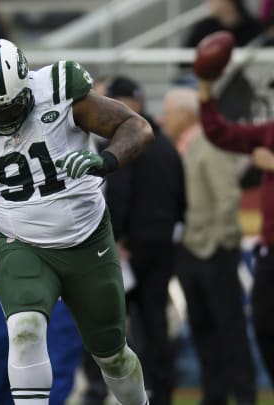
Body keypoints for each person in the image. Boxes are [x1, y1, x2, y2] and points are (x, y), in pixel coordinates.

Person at [0, 38, 153, 405]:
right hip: (22, 243)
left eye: (10, 106)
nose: (4, 117)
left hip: (87, 240)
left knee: (112, 355)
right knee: (24, 330)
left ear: (27, 83)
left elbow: (136, 126)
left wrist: (108, 160)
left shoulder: (59, 89)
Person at [160, 86, 256, 405]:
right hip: (190, 249)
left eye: (169, 113)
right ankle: (214, 396)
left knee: (229, 328)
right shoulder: (183, 146)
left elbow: (227, 199)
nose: (163, 119)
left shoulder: (210, 143)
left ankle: (244, 396)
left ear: (186, 115)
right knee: (203, 329)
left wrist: (217, 244)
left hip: (212, 251)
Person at [103, 76, 186, 405]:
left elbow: (120, 195)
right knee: (155, 324)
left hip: (132, 247)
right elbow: (182, 199)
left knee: (126, 329)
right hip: (163, 245)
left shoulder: (129, 140)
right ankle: (162, 392)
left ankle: (141, 392)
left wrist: (115, 237)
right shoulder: (165, 143)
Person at [197, 75, 274, 388]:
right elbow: (221, 133)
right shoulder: (270, 131)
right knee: (265, 324)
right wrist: (205, 89)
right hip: (270, 251)